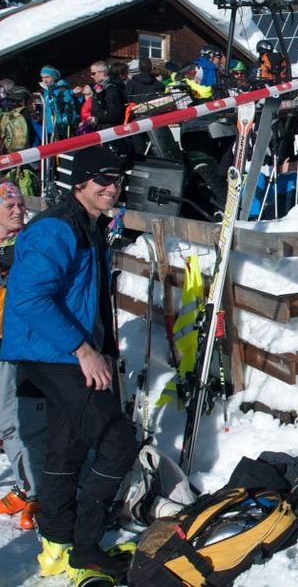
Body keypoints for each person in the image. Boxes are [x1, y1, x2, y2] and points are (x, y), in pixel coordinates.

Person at [1, 146, 138, 579]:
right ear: (79, 182)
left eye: (117, 180)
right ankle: (86, 545)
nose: (112, 188)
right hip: (53, 352)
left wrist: (102, 347)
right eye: (102, 179)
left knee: (67, 448)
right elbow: (29, 299)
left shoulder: (87, 225)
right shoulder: (56, 229)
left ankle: (59, 542)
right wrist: (83, 349)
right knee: (117, 442)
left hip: (59, 350)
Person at [0, 181, 45, 530]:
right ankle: (23, 484)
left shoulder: (29, 244)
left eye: (19, 205)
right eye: (9, 206)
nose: (18, 211)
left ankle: (36, 492)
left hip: (19, 344)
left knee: (17, 419)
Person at [38, 66, 79, 142]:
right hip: (49, 128)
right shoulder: (46, 90)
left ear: (54, 77)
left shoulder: (62, 89)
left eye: (47, 77)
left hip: (61, 128)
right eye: (42, 77)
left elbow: (70, 107)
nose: (44, 80)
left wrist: (67, 123)